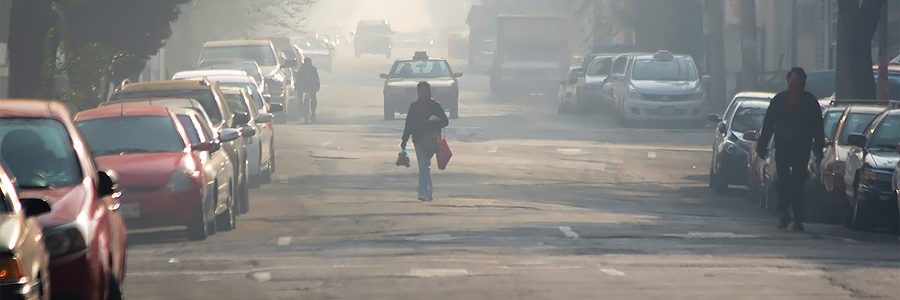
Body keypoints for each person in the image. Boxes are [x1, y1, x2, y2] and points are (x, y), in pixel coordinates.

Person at [756, 67, 825, 231]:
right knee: (783, 181)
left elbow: (818, 127)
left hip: (802, 148)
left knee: (798, 182)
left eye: (798, 83)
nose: (795, 85)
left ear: (803, 84)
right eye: (793, 82)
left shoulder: (810, 102)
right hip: (783, 147)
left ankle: (798, 218)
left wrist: (818, 148)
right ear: (788, 82)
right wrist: (762, 144)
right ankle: (784, 213)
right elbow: (768, 124)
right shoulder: (779, 100)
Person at [401, 82, 449, 201]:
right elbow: (409, 125)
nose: (423, 93)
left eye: (425, 91)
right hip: (418, 140)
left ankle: (425, 192)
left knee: (424, 165)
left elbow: (445, 122)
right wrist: (404, 140)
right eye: (421, 91)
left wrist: (431, 123)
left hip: (432, 140)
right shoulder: (414, 106)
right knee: (423, 165)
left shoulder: (435, 106)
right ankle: (426, 192)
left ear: (429, 91)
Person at [296, 57, 320, 122]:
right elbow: (298, 79)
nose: (307, 64)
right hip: (302, 87)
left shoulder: (313, 69)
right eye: (306, 62)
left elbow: (316, 79)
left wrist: (317, 86)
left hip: (311, 87)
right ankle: (300, 109)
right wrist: (297, 86)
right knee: (300, 98)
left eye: (308, 62)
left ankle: (313, 113)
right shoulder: (301, 69)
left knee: (313, 99)